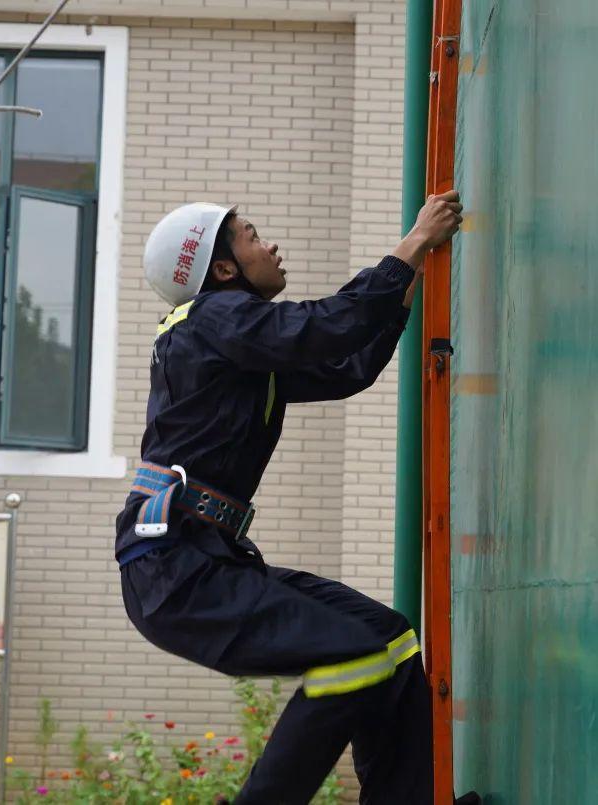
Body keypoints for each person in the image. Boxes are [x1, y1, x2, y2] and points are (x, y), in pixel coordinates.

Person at [116, 193, 479, 804]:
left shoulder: (233, 342)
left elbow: (345, 367)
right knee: (353, 656)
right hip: (175, 570)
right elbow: (326, 325)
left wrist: (406, 285)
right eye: (254, 236)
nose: (271, 245)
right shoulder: (212, 319)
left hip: (202, 560)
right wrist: (411, 244)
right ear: (224, 269)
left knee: (387, 638)